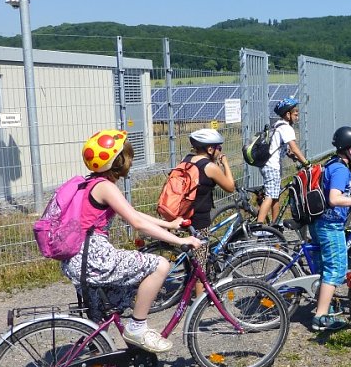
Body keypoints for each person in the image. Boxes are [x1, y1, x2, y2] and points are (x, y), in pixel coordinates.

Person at [64, 129, 202, 353]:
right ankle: (137, 327)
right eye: (128, 155)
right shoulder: (105, 187)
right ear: (118, 160)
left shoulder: (93, 183)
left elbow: (131, 213)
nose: (131, 159)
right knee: (160, 265)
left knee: (101, 320)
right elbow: (137, 223)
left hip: (79, 257)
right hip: (93, 257)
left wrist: (170, 225)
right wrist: (180, 241)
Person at [310, 126, 351, 331]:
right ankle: (321, 317)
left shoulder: (332, 164)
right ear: (349, 150)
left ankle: (325, 308)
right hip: (331, 226)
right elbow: (334, 198)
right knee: (336, 268)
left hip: (319, 223)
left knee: (324, 268)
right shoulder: (340, 169)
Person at [257, 97, 308, 224]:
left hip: (268, 165)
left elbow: (287, 150)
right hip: (271, 166)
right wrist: (307, 163)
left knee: (275, 195)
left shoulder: (277, 125)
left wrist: (293, 157)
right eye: (295, 113)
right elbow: (294, 148)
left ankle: (274, 225)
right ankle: (257, 227)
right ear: (287, 114)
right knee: (270, 196)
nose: (297, 116)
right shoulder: (286, 128)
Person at [183, 128, 236, 231]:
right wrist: (225, 163)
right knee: (201, 246)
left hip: (184, 213)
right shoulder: (209, 167)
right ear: (210, 150)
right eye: (219, 148)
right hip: (199, 220)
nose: (220, 151)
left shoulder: (187, 159)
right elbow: (230, 187)